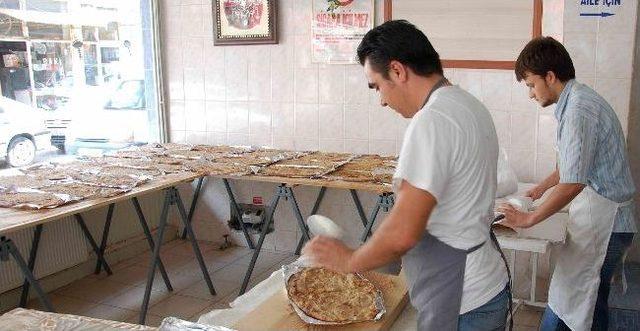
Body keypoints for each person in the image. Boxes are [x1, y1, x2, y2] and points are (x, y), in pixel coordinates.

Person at [303, 20, 510, 330]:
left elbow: (403, 232)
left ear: (398, 71)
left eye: (377, 86)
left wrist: (349, 260)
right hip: (486, 285)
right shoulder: (468, 105)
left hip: (461, 299)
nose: (382, 100)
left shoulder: (431, 121)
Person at [498, 36, 636, 331]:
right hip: (607, 220)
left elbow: (574, 181)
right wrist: (540, 189)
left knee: (574, 298)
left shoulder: (577, 111)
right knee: (589, 297)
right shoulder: (578, 100)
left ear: (550, 76)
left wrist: (528, 218)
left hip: (608, 223)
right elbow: (571, 166)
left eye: (531, 85)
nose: (531, 95)